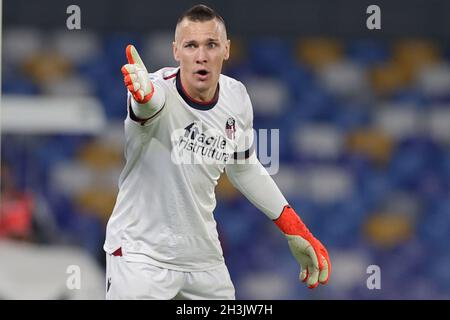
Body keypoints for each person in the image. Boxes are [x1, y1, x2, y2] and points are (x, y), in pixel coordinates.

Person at [104, 4, 331, 300]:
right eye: (191, 45)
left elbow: (244, 168)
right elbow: (149, 105)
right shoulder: (155, 88)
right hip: (141, 258)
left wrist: (293, 227)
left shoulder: (236, 97)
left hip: (203, 262)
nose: (201, 55)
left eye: (211, 45)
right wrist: (143, 97)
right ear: (176, 51)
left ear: (226, 49)